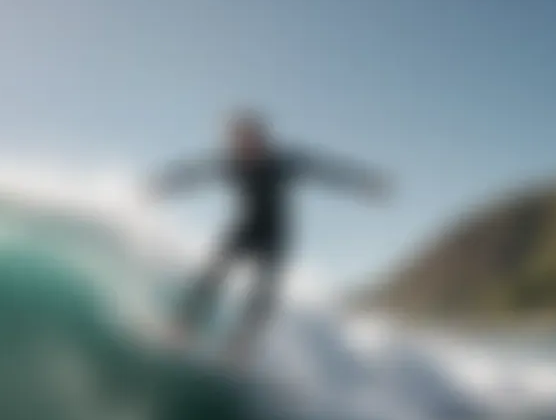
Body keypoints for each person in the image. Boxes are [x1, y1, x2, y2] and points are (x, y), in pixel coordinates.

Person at [150, 110, 392, 357]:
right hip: (244, 229)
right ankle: (181, 326)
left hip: (275, 237)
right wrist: (166, 184)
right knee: (211, 276)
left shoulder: (284, 162)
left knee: (262, 294)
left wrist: (365, 183)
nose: (243, 147)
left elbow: (327, 170)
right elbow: (197, 172)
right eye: (237, 141)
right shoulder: (232, 162)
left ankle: (240, 348)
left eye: (249, 139)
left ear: (261, 139)